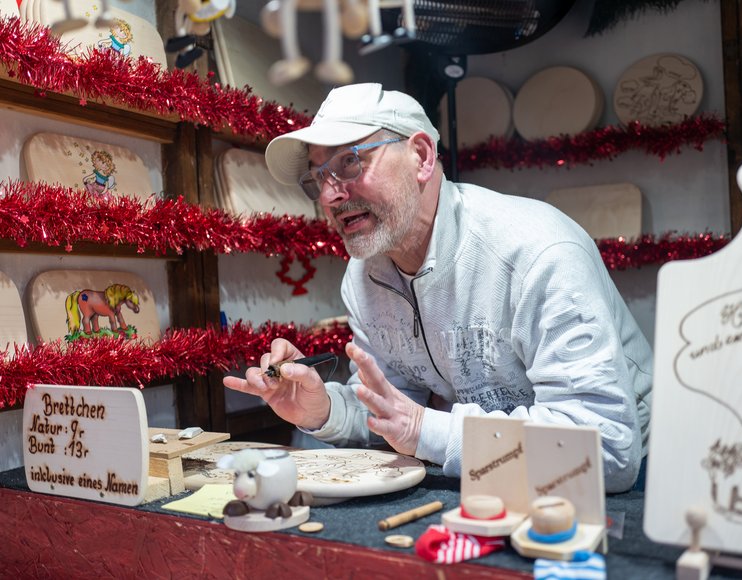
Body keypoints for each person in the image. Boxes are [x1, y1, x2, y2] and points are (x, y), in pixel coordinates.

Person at [223, 83, 653, 493]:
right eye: (318, 177)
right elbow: (394, 409)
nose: (329, 196)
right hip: (483, 473)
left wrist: (424, 429)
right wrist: (324, 410)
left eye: (349, 162)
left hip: (634, 485)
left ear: (422, 156)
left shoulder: (536, 251)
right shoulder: (364, 276)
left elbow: (606, 450)